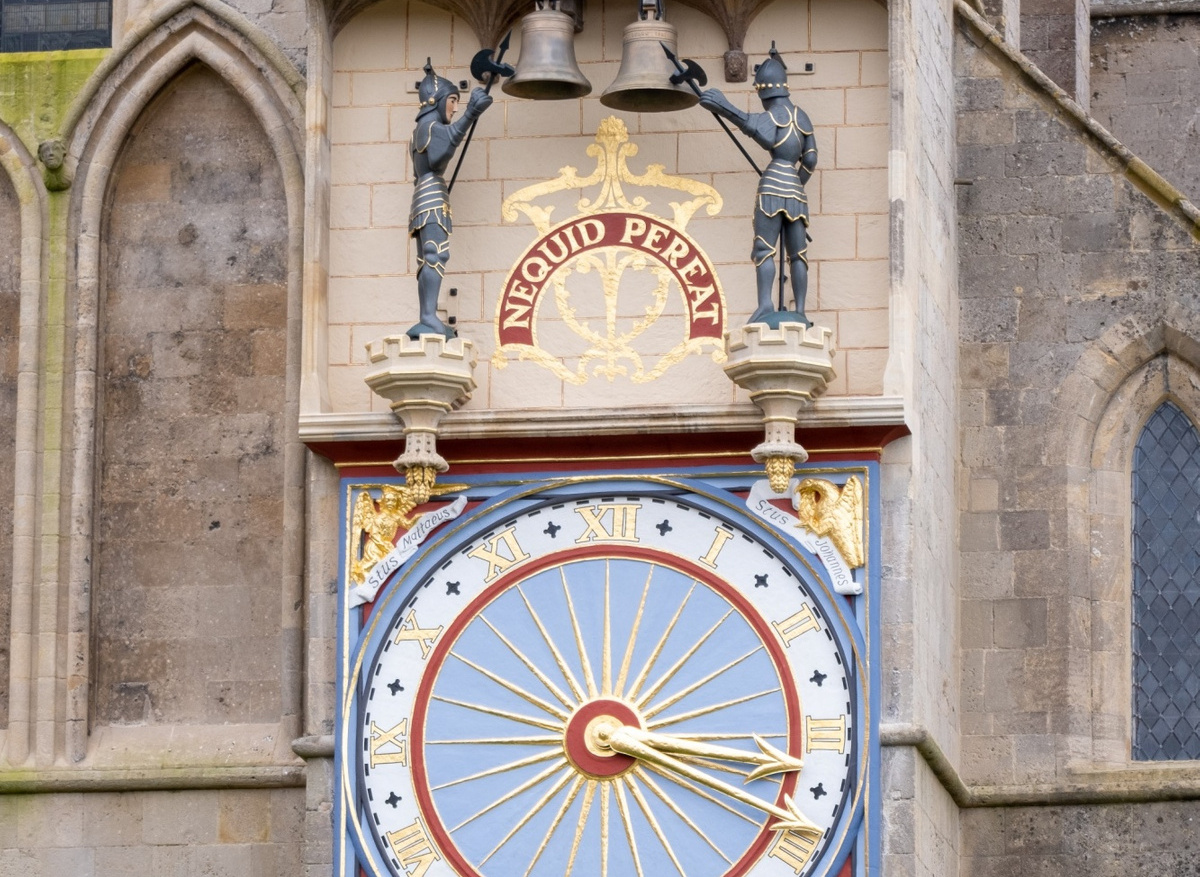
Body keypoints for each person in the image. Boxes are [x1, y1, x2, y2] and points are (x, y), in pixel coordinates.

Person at [698, 44, 817, 326]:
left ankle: (765, 305)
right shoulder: (802, 117)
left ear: (765, 90)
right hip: (796, 192)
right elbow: (810, 160)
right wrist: (795, 185)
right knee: (798, 254)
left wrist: (724, 106)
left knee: (765, 249)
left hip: (773, 184)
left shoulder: (773, 115)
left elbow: (757, 129)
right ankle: (799, 310)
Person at [407, 60, 494, 339]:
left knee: (432, 256)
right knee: (435, 254)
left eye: (458, 102)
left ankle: (428, 316)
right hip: (431, 193)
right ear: (437, 100)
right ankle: (429, 316)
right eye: (453, 101)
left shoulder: (427, 127)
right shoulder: (428, 126)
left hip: (430, 193)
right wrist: (470, 114)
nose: (454, 107)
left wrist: (469, 114)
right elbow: (438, 154)